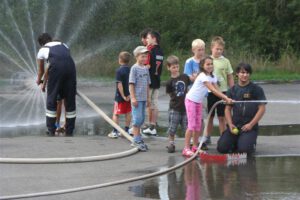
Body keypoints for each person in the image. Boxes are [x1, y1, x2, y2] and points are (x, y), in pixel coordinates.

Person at [182, 56, 232, 157]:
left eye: (211, 64)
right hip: (190, 101)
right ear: (202, 66)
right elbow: (212, 90)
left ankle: (195, 147)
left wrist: (226, 97)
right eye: (207, 64)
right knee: (191, 125)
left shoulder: (213, 77)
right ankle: (186, 148)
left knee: (198, 125)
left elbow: (217, 90)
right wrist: (226, 99)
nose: (210, 66)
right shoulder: (202, 76)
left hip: (198, 102)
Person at [217, 63, 266, 154]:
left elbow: (262, 109)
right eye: (242, 72)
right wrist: (230, 124)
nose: (245, 75)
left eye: (247, 73)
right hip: (235, 126)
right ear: (237, 74)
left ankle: (250, 143)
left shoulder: (256, 89)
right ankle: (236, 142)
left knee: (244, 150)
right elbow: (227, 109)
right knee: (222, 148)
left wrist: (251, 124)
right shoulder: (232, 90)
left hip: (249, 127)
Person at [36, 33, 77, 137]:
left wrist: (38, 80)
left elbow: (41, 70)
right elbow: (65, 59)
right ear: (50, 39)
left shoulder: (43, 49)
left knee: (52, 99)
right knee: (70, 100)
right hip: (71, 69)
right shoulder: (64, 45)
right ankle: (69, 130)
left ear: (41, 44)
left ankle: (51, 130)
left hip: (56, 71)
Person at [202, 36, 234, 146]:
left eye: (221, 49)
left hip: (223, 92)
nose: (219, 51)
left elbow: (230, 76)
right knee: (210, 116)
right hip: (211, 93)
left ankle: (223, 138)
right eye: (217, 49)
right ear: (211, 48)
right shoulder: (207, 61)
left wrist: (233, 90)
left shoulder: (226, 61)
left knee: (222, 117)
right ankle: (206, 137)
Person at [165, 55, 190, 153]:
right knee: (172, 127)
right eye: (173, 67)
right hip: (174, 108)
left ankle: (188, 144)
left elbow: (188, 87)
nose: (175, 69)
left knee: (187, 127)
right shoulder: (169, 82)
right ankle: (171, 143)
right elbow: (169, 93)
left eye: (177, 67)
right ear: (169, 68)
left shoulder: (184, 77)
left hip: (185, 107)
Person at [142, 30, 164, 136]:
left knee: (147, 103)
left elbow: (146, 65)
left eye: (148, 38)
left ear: (154, 38)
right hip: (157, 81)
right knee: (154, 104)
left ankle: (148, 125)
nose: (146, 40)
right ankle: (153, 125)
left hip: (148, 81)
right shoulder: (160, 51)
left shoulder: (149, 50)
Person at [129, 46, 151, 151]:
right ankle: (136, 139)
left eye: (145, 56)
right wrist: (133, 98)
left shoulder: (146, 69)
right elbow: (131, 84)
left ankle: (138, 137)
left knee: (141, 119)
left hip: (143, 98)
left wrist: (148, 98)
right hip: (136, 98)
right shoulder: (134, 68)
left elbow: (147, 84)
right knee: (137, 119)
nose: (144, 58)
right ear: (137, 57)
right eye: (142, 56)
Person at [108, 51, 132, 138]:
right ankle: (126, 130)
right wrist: (129, 95)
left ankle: (115, 131)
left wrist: (123, 96)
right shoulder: (131, 70)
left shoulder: (119, 71)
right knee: (128, 112)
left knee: (115, 113)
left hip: (120, 97)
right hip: (129, 96)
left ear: (120, 60)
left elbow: (119, 85)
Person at [41, 68, 65, 136]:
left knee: (54, 103)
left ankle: (53, 126)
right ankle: (56, 125)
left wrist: (43, 84)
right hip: (60, 82)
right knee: (59, 102)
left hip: (54, 84)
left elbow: (45, 72)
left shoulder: (51, 59)